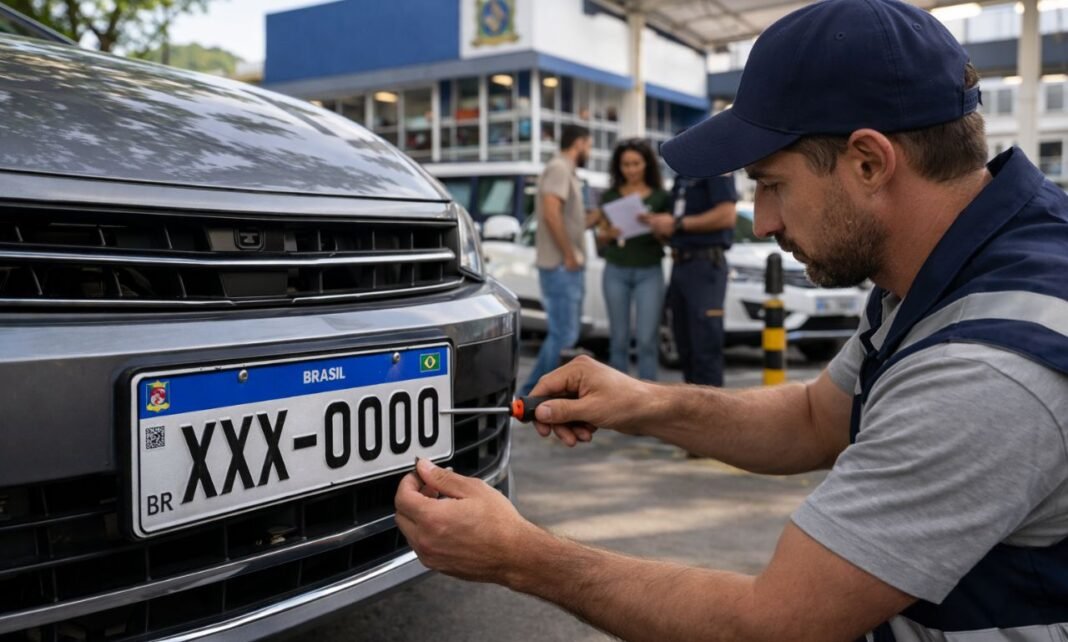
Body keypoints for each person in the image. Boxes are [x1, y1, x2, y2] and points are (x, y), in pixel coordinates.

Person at [395, 1, 1068, 639]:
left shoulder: (987, 368)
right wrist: (645, 402)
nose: (766, 220)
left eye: (772, 183)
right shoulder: (959, 262)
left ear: (870, 162)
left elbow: (773, 625)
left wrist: (518, 556)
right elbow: (812, 419)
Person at [519, 124, 595, 395]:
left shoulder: (567, 171)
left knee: (565, 334)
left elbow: (569, 220)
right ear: (579, 143)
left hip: (565, 264)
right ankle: (531, 394)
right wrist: (568, 254)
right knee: (563, 334)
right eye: (589, 144)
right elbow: (551, 213)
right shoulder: (559, 168)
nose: (590, 150)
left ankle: (534, 393)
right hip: (561, 265)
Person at [641, 172, 737, 386]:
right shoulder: (681, 173)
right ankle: (694, 414)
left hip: (704, 266)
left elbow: (727, 215)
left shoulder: (715, 164)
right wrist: (660, 226)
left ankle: (712, 416)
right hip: (680, 264)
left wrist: (677, 223)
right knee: (684, 347)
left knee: (705, 349)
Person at [596, 138, 671, 380]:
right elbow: (601, 237)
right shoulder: (610, 196)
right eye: (625, 164)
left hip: (649, 270)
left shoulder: (661, 197)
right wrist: (608, 233)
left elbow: (670, 238)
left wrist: (655, 224)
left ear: (647, 164)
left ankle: (648, 399)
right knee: (618, 338)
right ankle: (618, 398)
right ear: (618, 167)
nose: (631, 169)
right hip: (616, 269)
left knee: (647, 339)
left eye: (636, 163)